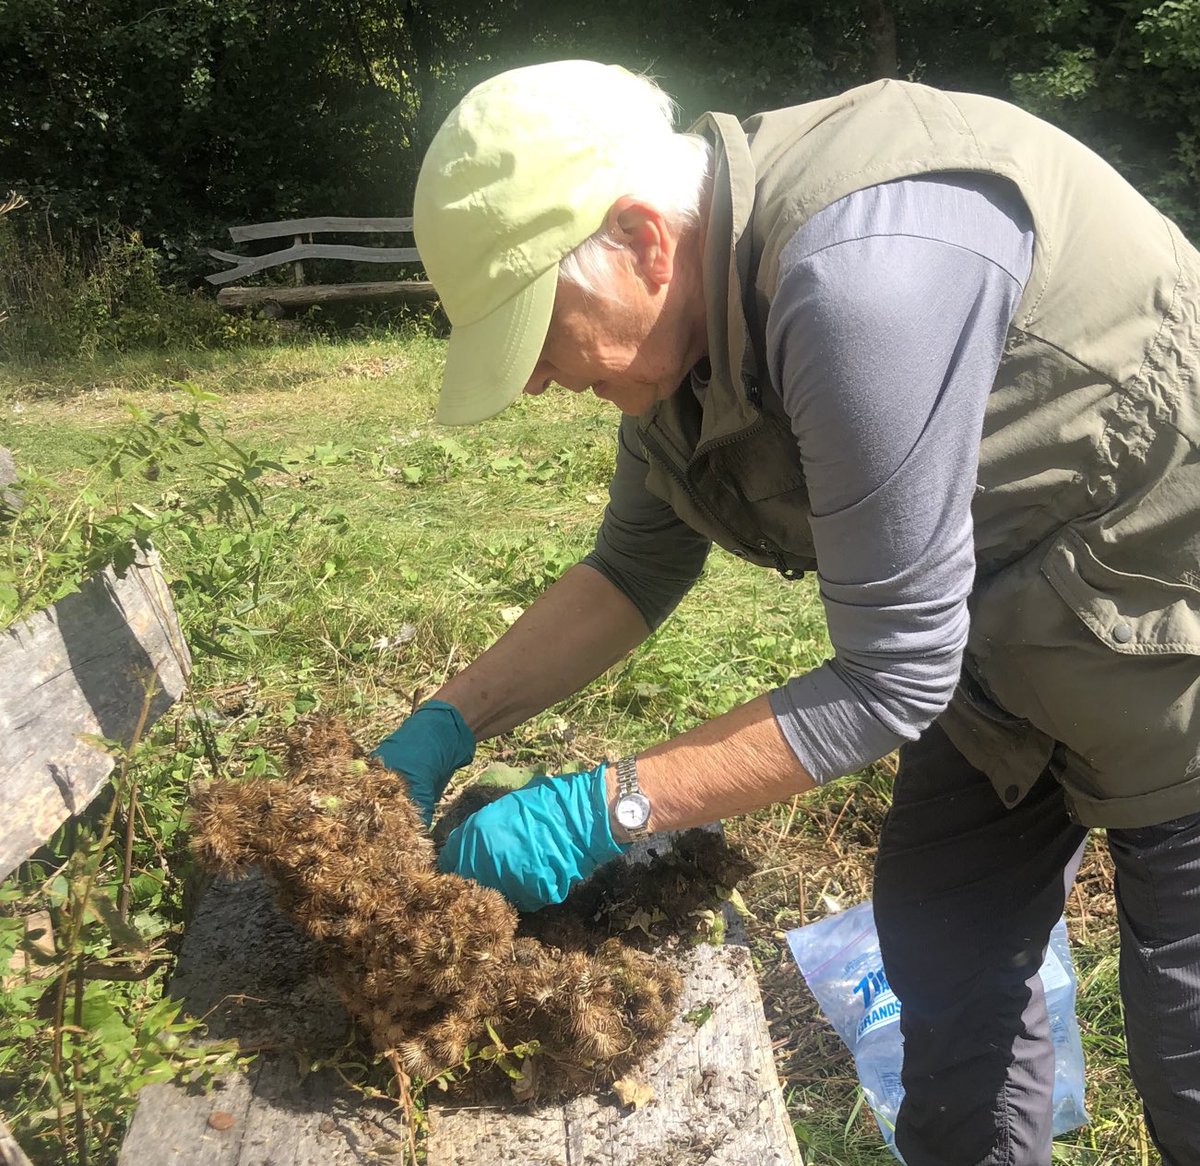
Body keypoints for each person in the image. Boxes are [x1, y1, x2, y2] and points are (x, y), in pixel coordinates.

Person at [373, 60, 1200, 1165]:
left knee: (1188, 1039)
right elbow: (630, 564)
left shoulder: (859, 280)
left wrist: (604, 810)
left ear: (643, 239)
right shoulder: (689, 339)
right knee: (944, 940)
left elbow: (890, 675)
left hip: (1165, 623)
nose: (531, 381)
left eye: (540, 328)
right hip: (1002, 645)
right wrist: (446, 722)